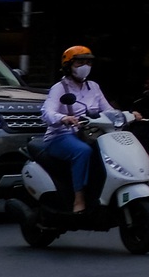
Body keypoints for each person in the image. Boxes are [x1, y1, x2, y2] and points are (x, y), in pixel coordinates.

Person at [39, 46, 140, 217]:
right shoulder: (60, 88)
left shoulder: (93, 86)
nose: (85, 66)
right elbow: (46, 112)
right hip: (61, 136)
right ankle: (79, 199)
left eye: (88, 62)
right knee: (82, 151)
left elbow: (108, 110)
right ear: (68, 65)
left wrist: (128, 115)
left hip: (90, 133)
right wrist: (63, 118)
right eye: (80, 62)